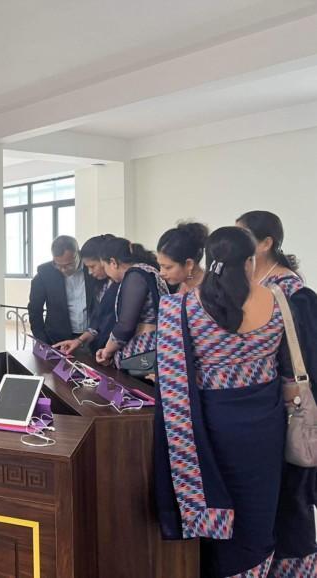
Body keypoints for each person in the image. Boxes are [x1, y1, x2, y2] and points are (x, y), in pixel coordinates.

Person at [154, 226, 317, 576]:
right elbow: (289, 374)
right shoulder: (278, 301)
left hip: (210, 426)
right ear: (250, 261)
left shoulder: (178, 307)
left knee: (217, 497)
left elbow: (169, 375)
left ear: (209, 260)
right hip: (265, 424)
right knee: (260, 506)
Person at [237, 210, 317, 572]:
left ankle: (297, 567)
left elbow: (305, 359)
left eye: (244, 236)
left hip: (288, 405)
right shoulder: (249, 285)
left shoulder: (294, 292)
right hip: (261, 407)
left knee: (292, 491)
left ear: (266, 243)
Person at [94, 237, 168, 372]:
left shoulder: (135, 275)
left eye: (104, 267)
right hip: (153, 350)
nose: (106, 273)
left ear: (113, 262)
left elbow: (126, 325)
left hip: (144, 353)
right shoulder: (146, 270)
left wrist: (107, 351)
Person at [28, 235, 101, 348]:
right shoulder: (44, 274)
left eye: (69, 265)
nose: (63, 270)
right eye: (58, 265)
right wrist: (43, 341)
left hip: (93, 338)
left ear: (78, 254)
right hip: (58, 339)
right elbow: (34, 310)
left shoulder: (93, 269)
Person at [57, 234, 118, 355]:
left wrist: (108, 350)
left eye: (92, 266)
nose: (90, 272)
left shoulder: (127, 282)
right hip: (102, 348)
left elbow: (124, 326)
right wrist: (79, 341)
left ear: (105, 260)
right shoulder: (102, 283)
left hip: (114, 350)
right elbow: (97, 322)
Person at [156, 222, 208, 294]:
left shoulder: (211, 291)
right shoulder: (179, 284)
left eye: (168, 267)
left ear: (189, 264)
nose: (161, 273)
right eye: (160, 266)